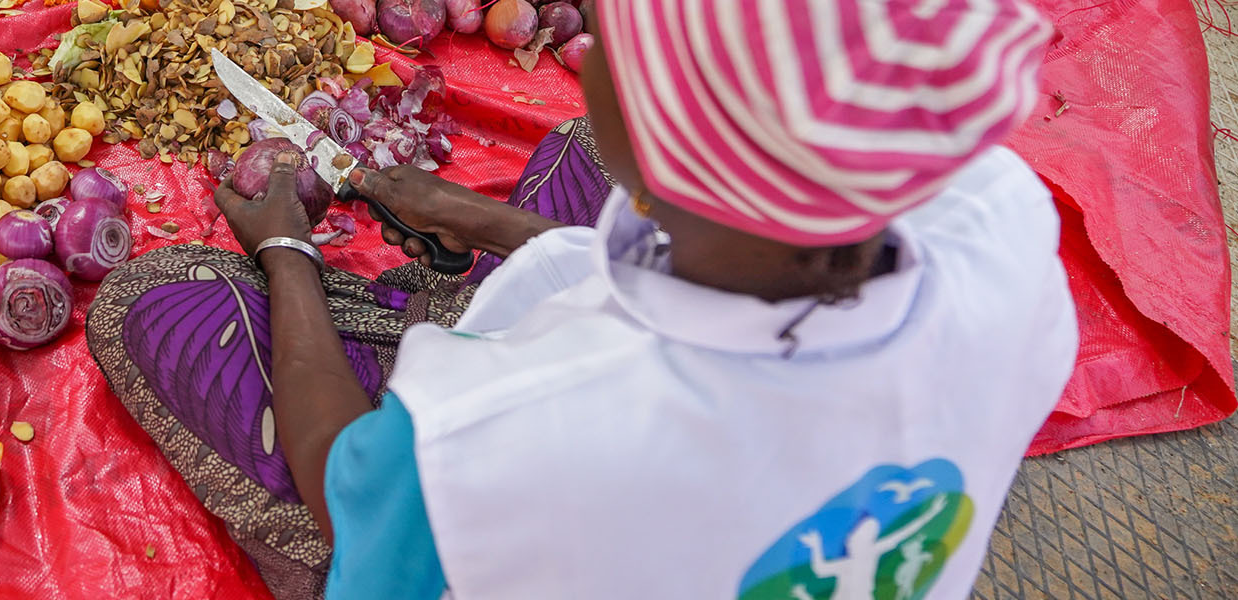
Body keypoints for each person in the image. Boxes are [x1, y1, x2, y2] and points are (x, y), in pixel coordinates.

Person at [86, 0, 1077, 597]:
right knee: (570, 157)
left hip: (503, 513)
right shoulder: (1005, 220)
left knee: (154, 299)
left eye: (614, 41)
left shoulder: (516, 432)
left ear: (669, 140)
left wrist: (288, 249)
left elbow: (350, 471)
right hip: (726, 479)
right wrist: (475, 221)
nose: (591, 58)